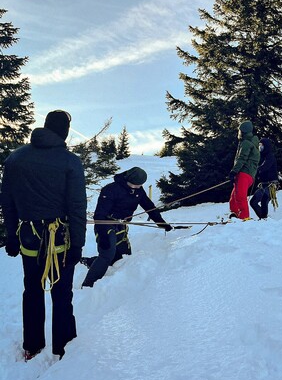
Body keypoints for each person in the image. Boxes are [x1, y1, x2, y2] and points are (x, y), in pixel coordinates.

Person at [1, 110, 87, 361]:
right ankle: (64, 347)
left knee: (33, 290)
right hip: (59, 237)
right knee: (61, 292)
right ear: (64, 132)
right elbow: (77, 207)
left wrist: (12, 236)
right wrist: (77, 245)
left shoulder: (15, 158)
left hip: (28, 236)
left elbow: (7, 200)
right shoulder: (70, 161)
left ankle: (32, 345)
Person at [81, 167, 172, 288]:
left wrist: (162, 224)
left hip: (121, 226)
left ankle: (90, 261)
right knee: (107, 254)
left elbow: (149, 207)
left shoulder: (139, 190)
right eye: (133, 185)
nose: (135, 187)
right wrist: (103, 237)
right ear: (126, 179)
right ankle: (88, 285)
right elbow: (99, 215)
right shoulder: (110, 190)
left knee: (123, 258)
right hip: (105, 225)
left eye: (138, 185)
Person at [229, 120, 260, 220]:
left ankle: (244, 217)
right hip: (247, 174)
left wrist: (234, 171)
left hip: (244, 173)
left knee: (240, 197)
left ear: (243, 132)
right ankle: (235, 214)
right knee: (234, 197)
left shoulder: (246, 143)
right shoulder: (251, 142)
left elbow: (241, 158)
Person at [250, 138, 279, 219]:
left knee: (264, 201)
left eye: (261, 145)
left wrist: (257, 170)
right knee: (253, 202)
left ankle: (264, 219)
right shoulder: (260, 157)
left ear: (266, 146)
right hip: (263, 184)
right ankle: (263, 218)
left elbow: (265, 166)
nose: (260, 147)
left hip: (271, 184)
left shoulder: (270, 156)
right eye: (259, 145)